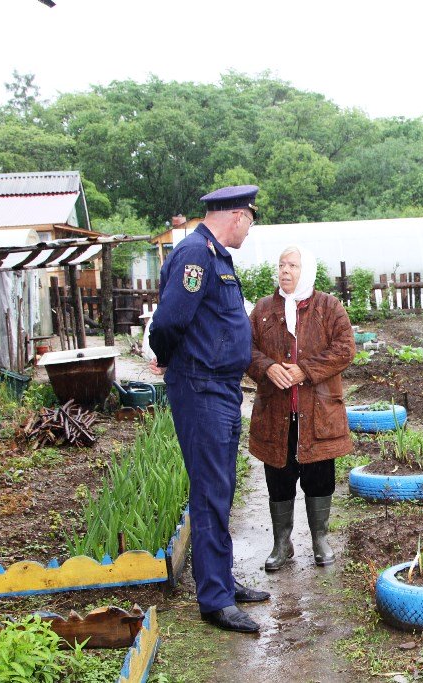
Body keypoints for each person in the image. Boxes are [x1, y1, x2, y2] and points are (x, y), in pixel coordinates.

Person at [147, 185, 269, 634]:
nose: (250, 230)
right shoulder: (196, 255)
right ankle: (214, 600)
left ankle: (221, 579)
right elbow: (171, 320)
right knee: (210, 489)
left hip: (218, 386)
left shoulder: (214, 254)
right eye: (251, 221)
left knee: (221, 487)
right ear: (237, 215)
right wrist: (164, 355)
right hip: (200, 387)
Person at [247, 246, 355, 573]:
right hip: (275, 414)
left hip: (319, 412)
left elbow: (345, 349)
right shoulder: (264, 309)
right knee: (278, 479)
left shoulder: (328, 307)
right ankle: (283, 543)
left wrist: (304, 369)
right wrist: (267, 368)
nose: (285, 271)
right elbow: (245, 349)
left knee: (319, 477)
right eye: (281, 265)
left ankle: (320, 538)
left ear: (305, 269)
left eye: (293, 265)